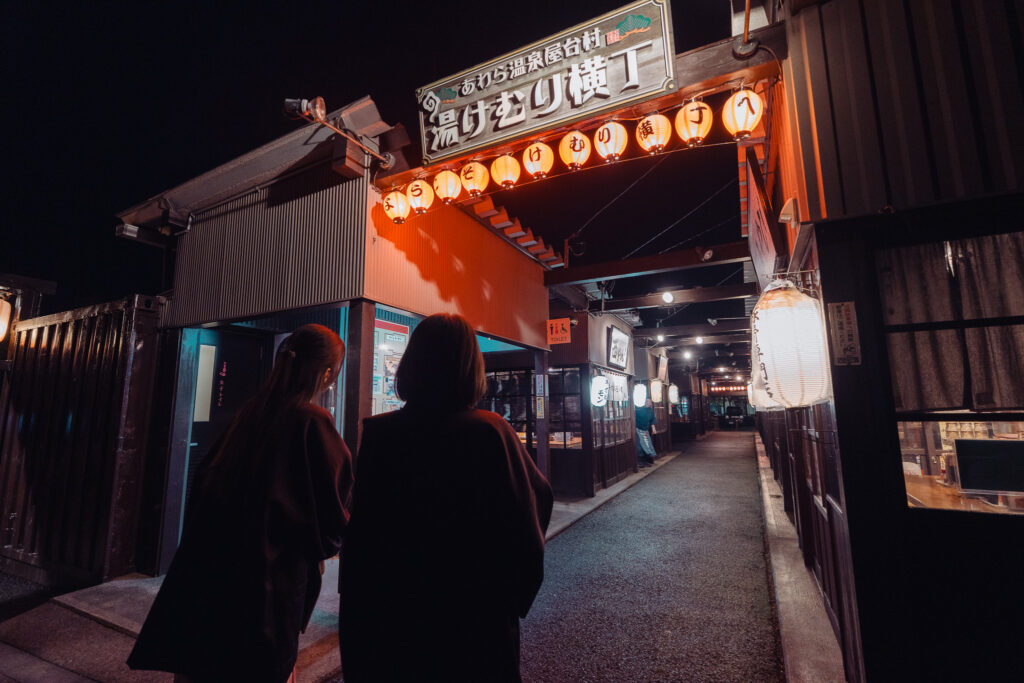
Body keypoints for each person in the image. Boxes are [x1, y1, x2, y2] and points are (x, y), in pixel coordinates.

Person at [128, 324, 353, 683]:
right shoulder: (312, 421)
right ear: (326, 374)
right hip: (263, 597)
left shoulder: (250, 414)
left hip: (205, 588)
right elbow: (331, 521)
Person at [339, 313, 553, 682]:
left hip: (392, 620)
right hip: (473, 622)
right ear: (471, 366)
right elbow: (529, 517)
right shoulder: (490, 431)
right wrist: (508, 598)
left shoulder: (380, 434)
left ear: (411, 363)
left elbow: (362, 543)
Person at [636, 397, 657, 467]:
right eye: (647, 401)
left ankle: (645, 461)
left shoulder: (650, 410)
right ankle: (640, 462)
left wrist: (653, 428)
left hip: (646, 430)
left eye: (650, 402)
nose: (649, 403)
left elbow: (653, 419)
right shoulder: (639, 409)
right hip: (638, 429)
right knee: (640, 446)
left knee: (647, 445)